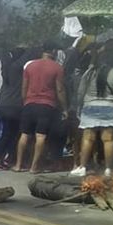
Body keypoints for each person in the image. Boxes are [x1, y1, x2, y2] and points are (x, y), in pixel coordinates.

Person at [71, 45, 113, 177]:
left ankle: (82, 167)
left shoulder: (89, 73)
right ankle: (108, 170)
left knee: (88, 138)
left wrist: (79, 107)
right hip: (110, 108)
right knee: (108, 140)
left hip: (90, 107)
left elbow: (80, 92)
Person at [14, 42, 68, 173]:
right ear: (53, 51)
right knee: (41, 136)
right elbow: (60, 89)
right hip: (46, 105)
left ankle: (18, 165)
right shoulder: (57, 68)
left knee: (24, 134)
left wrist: (25, 101)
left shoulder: (30, 66)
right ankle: (34, 167)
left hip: (29, 103)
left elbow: (24, 87)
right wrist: (65, 108)